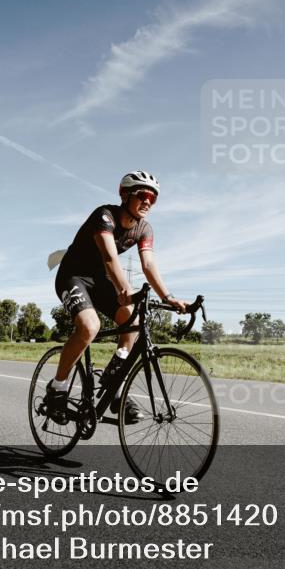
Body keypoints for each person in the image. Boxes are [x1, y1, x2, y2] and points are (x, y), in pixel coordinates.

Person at [49, 171, 188, 424]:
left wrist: (168, 297)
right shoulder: (105, 216)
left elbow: (148, 264)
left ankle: (113, 386)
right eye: (143, 195)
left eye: (153, 198)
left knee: (131, 321)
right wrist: (125, 290)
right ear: (125, 195)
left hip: (101, 281)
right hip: (73, 276)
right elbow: (110, 258)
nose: (148, 202)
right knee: (90, 327)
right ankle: (57, 388)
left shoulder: (144, 228)